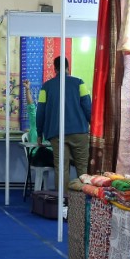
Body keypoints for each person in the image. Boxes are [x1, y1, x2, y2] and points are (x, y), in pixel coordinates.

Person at [35, 57, 92, 187]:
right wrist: (93, 125)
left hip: (57, 133)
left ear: (55, 69)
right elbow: (88, 108)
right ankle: (81, 203)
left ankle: (63, 203)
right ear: (68, 67)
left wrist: (39, 133)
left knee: (61, 169)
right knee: (82, 169)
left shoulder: (46, 87)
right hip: (79, 132)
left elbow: (41, 112)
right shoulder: (79, 83)